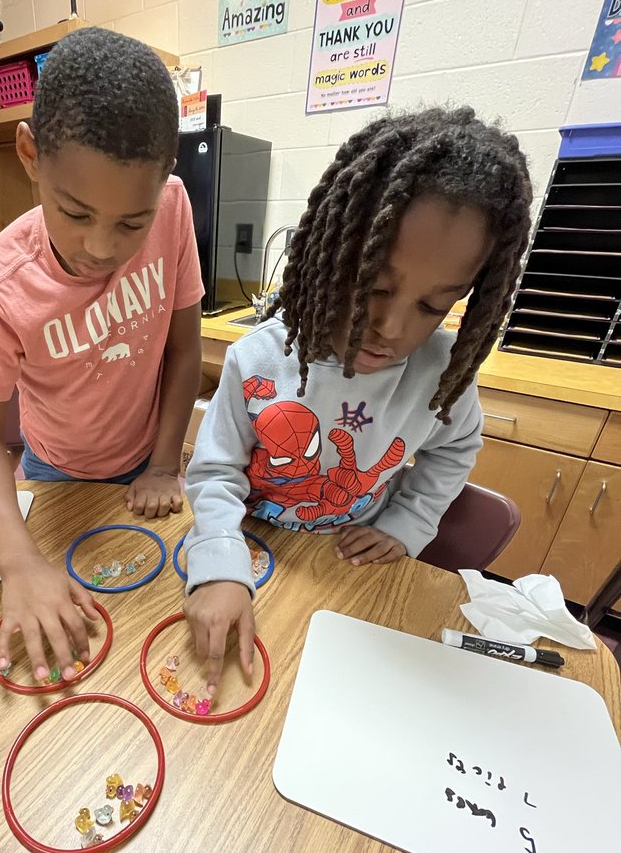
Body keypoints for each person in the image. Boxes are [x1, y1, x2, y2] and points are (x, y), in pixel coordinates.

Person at [183, 106, 532, 694]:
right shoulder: (258, 359)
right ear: (332, 255)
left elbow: (455, 448)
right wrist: (218, 562)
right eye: (374, 287)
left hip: (352, 566)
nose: (391, 328)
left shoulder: (442, 374)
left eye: (432, 306)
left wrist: (409, 521)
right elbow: (215, 473)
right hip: (255, 546)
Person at [0, 27, 204, 681]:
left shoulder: (173, 208)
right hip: (56, 471)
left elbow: (184, 351)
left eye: (131, 224)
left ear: (162, 185)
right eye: (75, 213)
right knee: (61, 624)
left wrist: (164, 463)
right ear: (30, 156)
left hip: (150, 462)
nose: (100, 248)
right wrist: (18, 561)